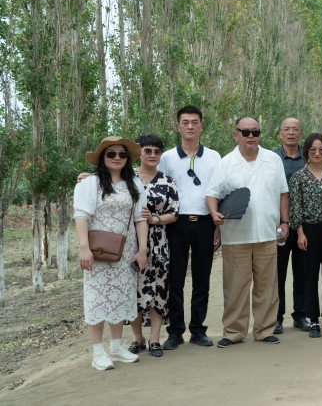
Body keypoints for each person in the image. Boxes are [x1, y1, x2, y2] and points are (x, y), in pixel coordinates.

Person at [207, 117, 288, 347]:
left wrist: (285, 222)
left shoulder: (273, 160)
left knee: (267, 286)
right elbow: (212, 194)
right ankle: (234, 332)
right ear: (236, 135)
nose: (250, 136)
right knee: (235, 287)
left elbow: (283, 193)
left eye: (255, 132)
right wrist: (214, 214)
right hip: (236, 236)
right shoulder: (226, 163)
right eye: (245, 132)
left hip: (267, 234)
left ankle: (264, 329)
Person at [74, 137, 148, 370]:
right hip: (97, 250)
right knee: (96, 298)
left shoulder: (134, 183)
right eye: (111, 154)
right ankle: (98, 352)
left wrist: (142, 250)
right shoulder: (91, 182)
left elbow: (140, 218)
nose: (117, 158)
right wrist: (84, 248)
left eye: (122, 154)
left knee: (120, 296)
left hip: (125, 251)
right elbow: (81, 216)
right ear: (102, 157)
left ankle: (116, 347)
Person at [158, 106, 221, 350]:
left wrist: (218, 226)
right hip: (176, 224)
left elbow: (220, 191)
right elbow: (155, 185)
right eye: (185, 122)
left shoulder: (214, 157)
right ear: (178, 126)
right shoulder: (167, 158)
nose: (190, 126)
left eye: (195, 122)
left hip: (205, 222)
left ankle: (198, 329)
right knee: (175, 279)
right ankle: (175, 331)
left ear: (201, 126)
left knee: (201, 278)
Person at [127, 135, 180, 358]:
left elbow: (174, 213)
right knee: (133, 290)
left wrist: (154, 219)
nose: (152, 155)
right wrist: (83, 177)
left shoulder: (167, 181)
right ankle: (136, 338)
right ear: (139, 152)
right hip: (130, 242)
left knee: (158, 289)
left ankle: (155, 339)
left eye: (157, 151)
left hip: (158, 243)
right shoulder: (126, 177)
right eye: (147, 150)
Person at [289, 133, 322, 338]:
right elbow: (295, 207)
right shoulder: (298, 177)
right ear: (306, 152)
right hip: (308, 230)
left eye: (321, 150)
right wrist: (300, 233)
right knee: (310, 276)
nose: (317, 153)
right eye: (313, 150)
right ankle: (313, 321)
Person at [271, 118, 308, 334]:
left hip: (303, 225)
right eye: (286, 129)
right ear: (280, 134)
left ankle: (300, 315)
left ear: (301, 134)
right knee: (277, 272)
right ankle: (276, 316)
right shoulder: (271, 158)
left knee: (302, 271)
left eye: (295, 129)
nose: (291, 133)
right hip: (278, 224)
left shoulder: (308, 156)